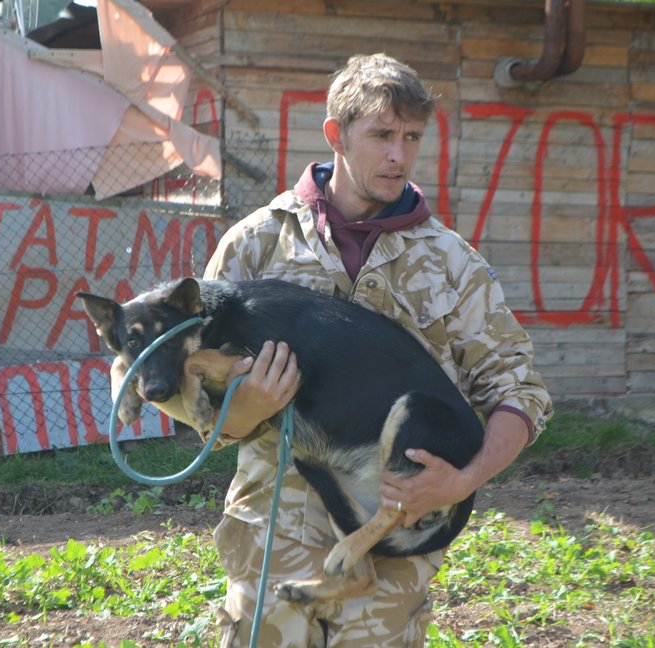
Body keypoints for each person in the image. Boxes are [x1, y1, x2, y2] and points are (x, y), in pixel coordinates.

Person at [202, 52, 552, 648]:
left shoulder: (452, 263)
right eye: (382, 135)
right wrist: (242, 409)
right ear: (336, 135)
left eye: (411, 137)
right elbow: (193, 387)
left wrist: (461, 480)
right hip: (272, 533)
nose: (399, 154)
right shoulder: (256, 245)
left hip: (390, 536)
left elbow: (521, 392)